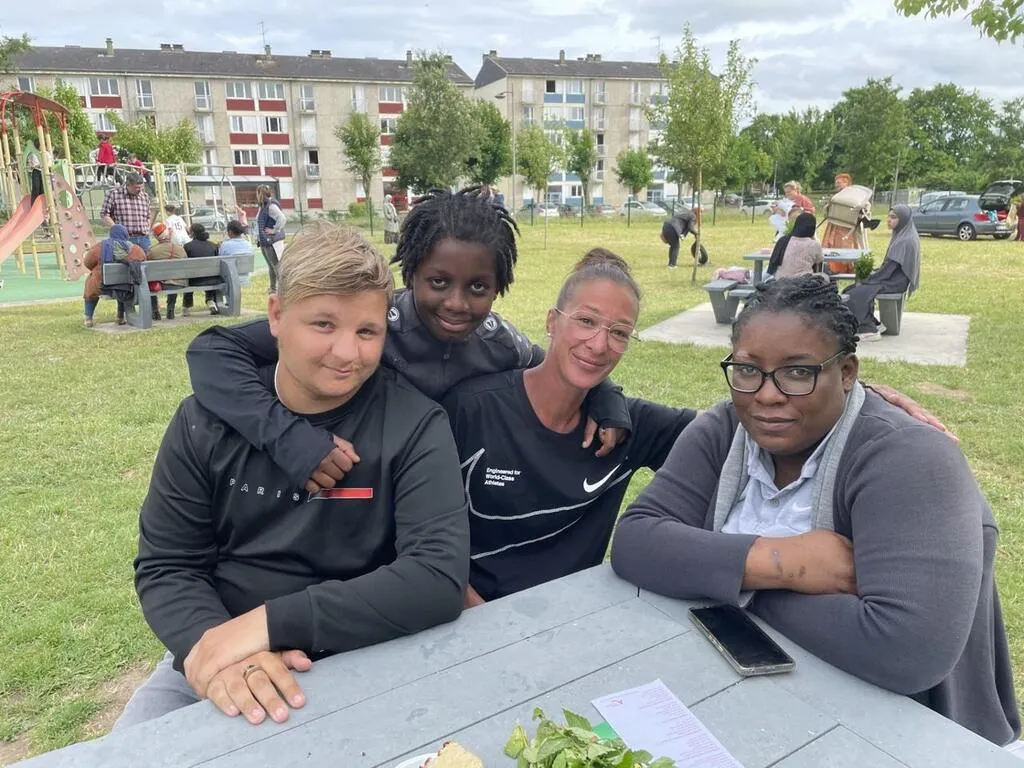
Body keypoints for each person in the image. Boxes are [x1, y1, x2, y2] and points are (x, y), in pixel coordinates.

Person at [610, 276, 1019, 747]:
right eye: (747, 370)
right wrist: (784, 564)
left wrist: (727, 582)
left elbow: (907, 650)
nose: (767, 394)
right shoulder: (724, 431)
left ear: (846, 372)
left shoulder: (909, 459)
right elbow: (636, 541)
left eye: (798, 372)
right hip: (748, 710)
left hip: (896, 739)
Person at [118, 223, 469, 729]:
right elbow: (168, 565)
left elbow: (436, 577)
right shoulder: (203, 422)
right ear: (276, 315)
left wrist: (267, 625)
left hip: (363, 645)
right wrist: (220, 648)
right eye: (323, 324)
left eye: (366, 332)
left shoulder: (414, 424)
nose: (346, 353)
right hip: (219, 643)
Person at [184, 187, 631, 496]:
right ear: (412, 272)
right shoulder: (371, 328)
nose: (456, 303)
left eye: (478, 287)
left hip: (440, 496)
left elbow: (557, 366)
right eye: (439, 282)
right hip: (351, 493)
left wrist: (605, 395)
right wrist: (287, 437)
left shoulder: (501, 342)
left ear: (499, 288)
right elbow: (213, 350)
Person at [442, 249, 698, 605]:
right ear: (552, 321)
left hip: (576, 622)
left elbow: (729, 431)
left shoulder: (627, 428)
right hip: (473, 619)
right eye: (586, 321)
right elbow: (427, 541)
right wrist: (489, 622)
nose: (599, 345)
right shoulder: (472, 409)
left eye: (619, 332)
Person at [842, 205, 920, 342]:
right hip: (893, 279)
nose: (889, 220)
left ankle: (868, 329)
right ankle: (871, 323)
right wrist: (872, 275)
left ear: (903, 219)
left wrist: (868, 278)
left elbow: (888, 271)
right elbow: (890, 268)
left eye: (893, 217)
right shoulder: (904, 234)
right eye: (889, 216)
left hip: (894, 282)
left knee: (856, 292)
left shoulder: (904, 240)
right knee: (853, 289)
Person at [81, 224, 146, 328]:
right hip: (126, 286)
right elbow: (143, 260)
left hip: (101, 285)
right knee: (121, 285)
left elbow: (87, 263)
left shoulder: (99, 247)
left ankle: (88, 318)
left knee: (90, 283)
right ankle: (120, 316)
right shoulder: (136, 249)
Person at [100, 172, 153, 251]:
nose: (139, 190)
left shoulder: (145, 196)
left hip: (143, 239)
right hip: (124, 239)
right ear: (128, 185)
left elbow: (148, 216)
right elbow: (104, 215)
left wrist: (148, 229)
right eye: (136, 188)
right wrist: (116, 229)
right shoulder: (114, 195)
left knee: (146, 259)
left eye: (141, 187)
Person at [180, 222, 223, 317]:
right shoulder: (213, 245)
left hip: (194, 280)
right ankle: (210, 300)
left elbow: (184, 265)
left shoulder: (187, 246)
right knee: (209, 274)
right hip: (212, 279)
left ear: (192, 233)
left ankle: (186, 307)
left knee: (188, 277)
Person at [147, 223, 186, 321]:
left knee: (149, 283)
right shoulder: (180, 249)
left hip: (161, 284)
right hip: (179, 283)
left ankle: (155, 311)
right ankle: (170, 310)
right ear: (169, 234)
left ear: (156, 237)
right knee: (174, 279)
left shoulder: (152, 251)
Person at [766, 212, 823, 279]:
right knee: (825, 277)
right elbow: (819, 260)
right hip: (803, 281)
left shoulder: (783, 240)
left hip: (781, 280)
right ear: (813, 228)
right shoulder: (814, 244)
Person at [255, 185, 286, 293]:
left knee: (276, 266)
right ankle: (273, 288)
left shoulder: (271, 206)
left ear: (260, 194)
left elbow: (282, 218)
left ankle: (283, 289)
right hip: (264, 241)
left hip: (271, 241)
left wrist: (274, 230)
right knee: (271, 266)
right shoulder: (263, 206)